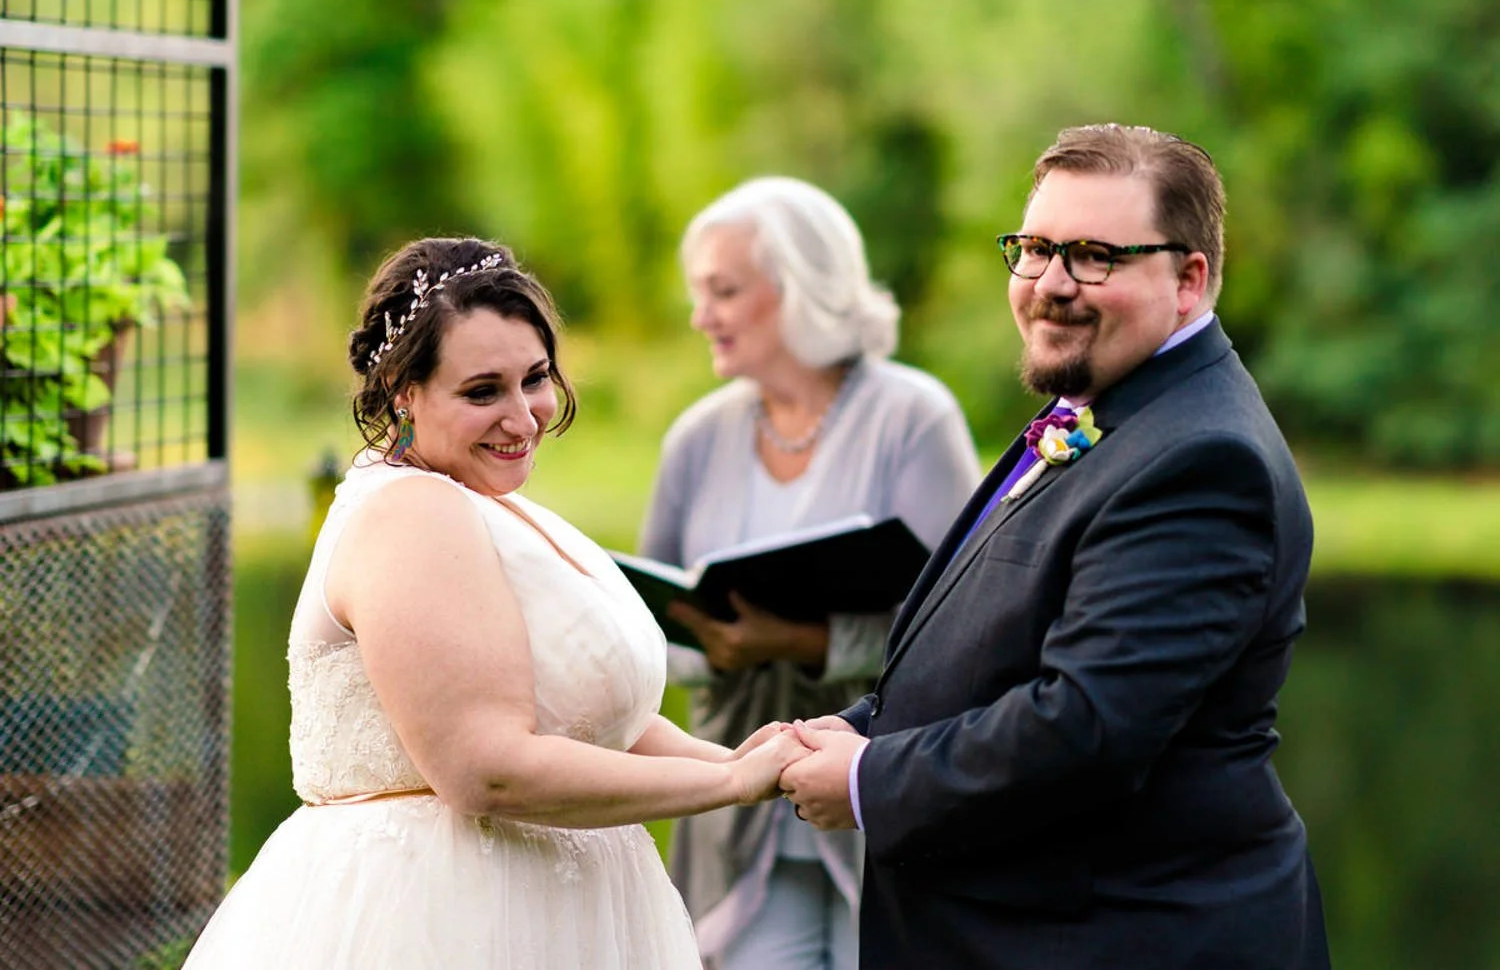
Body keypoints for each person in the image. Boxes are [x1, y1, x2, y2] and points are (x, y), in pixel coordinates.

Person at [780, 124, 1332, 969]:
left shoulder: (1202, 459)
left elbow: (1085, 729)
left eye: (1094, 257)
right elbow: (997, 647)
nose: (1049, 285)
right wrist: (853, 732)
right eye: (1034, 249)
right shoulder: (1115, 400)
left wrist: (868, 780)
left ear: (1189, 279)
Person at [183, 237, 809, 969]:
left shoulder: (485, 502)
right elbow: (485, 768)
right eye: (483, 392)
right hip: (439, 916)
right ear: (402, 394)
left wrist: (752, 762)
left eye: (535, 379)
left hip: (552, 902)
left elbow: (596, 720)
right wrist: (726, 784)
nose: (523, 417)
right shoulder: (412, 513)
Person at [640, 177, 982, 970]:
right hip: (741, 808)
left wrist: (806, 640)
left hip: (891, 803)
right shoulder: (695, 438)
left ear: (802, 289)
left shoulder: (913, 418)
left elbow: (970, 627)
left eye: (724, 290)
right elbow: (646, 632)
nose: (701, 316)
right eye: (699, 293)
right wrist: (719, 648)